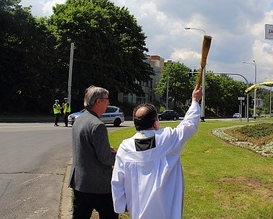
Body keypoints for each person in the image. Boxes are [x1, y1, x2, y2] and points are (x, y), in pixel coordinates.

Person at [111, 84, 203, 219]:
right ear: (155, 123)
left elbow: (117, 180)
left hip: (138, 211)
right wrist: (195, 101)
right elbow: (189, 124)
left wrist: (120, 205)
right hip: (165, 211)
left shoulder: (125, 147)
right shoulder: (166, 139)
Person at [68, 86, 118, 219]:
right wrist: (118, 155)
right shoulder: (98, 125)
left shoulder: (79, 120)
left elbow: (85, 148)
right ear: (98, 102)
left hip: (79, 182)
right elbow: (106, 159)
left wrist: (106, 150)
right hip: (98, 185)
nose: (108, 103)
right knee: (110, 215)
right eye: (107, 99)